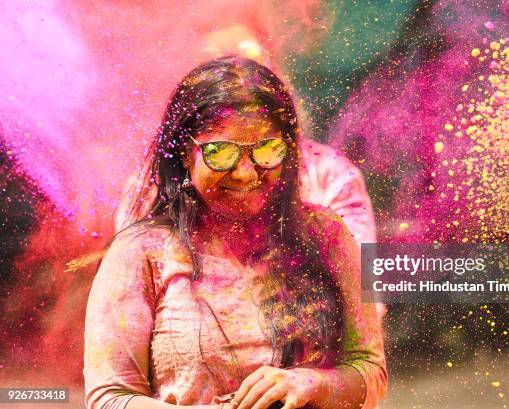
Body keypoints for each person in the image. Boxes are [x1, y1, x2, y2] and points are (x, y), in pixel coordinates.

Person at [83, 56, 387, 409]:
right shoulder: (142, 252)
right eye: (219, 153)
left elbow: (370, 372)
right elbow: (109, 398)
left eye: (267, 150)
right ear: (183, 152)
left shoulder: (327, 236)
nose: (245, 173)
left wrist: (311, 383)